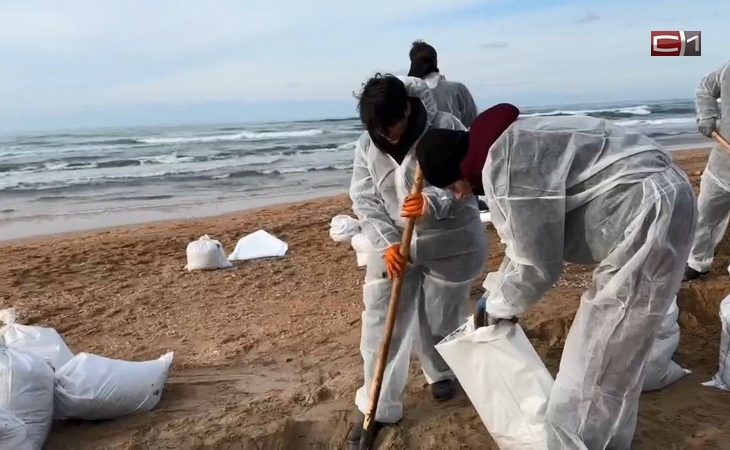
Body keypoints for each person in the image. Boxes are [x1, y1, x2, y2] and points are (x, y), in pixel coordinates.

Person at [412, 104, 697, 449]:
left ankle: (575, 442)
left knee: (601, 347)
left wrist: (500, 304)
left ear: (457, 168)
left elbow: (536, 263)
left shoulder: (503, 167)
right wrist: (497, 290)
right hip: (662, 196)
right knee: (622, 336)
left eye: (452, 186)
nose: (458, 194)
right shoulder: (508, 140)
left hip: (648, 213)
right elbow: (525, 239)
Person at [346, 73, 487, 446]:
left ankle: (440, 372)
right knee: (380, 322)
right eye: (378, 130)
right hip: (395, 244)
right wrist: (387, 243)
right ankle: (378, 404)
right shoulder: (368, 142)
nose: (387, 136)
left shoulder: (445, 127)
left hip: (449, 239)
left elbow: (467, 182)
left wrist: (432, 203)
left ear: (406, 109)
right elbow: (364, 198)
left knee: (441, 315)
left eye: (391, 127)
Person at [683, 60, 730, 281]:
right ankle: (697, 262)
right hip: (722, 162)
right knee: (706, 212)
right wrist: (707, 115)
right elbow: (704, 87)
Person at [407, 40, 479, 128]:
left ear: (412, 62)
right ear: (435, 61)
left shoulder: (406, 92)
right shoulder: (457, 90)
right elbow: (473, 125)